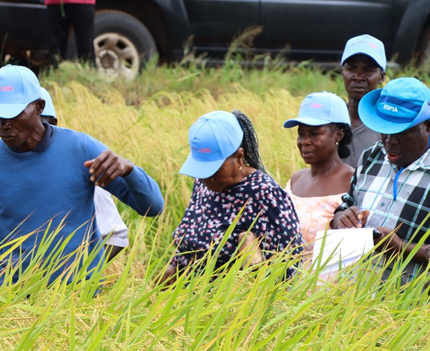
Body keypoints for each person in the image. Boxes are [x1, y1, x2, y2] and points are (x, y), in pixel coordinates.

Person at [0, 66, 162, 281]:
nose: (3, 125)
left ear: (39, 107)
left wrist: (130, 170)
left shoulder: (81, 149)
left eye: (13, 114)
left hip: (77, 299)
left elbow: (152, 207)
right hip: (13, 297)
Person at [332, 77, 430, 282]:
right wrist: (341, 218)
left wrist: (401, 249)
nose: (390, 141)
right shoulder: (372, 157)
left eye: (401, 132)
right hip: (351, 300)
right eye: (385, 131)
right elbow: (346, 206)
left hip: (412, 307)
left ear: (427, 126)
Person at [161, 110, 303, 285]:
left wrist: (254, 263)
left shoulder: (265, 194)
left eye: (215, 170)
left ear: (239, 156)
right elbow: (188, 248)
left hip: (232, 305)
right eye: (201, 170)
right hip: (186, 299)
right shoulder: (203, 183)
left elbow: (290, 267)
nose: (207, 178)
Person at [39, 87, 129, 260]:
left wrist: (81, 274)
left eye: (36, 124)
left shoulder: (80, 168)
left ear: (53, 123)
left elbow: (115, 236)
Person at [283, 92, 354, 251]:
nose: (305, 141)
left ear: (338, 135)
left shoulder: (353, 182)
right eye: (301, 134)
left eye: (315, 134)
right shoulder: (295, 180)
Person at [340, 35, 385, 168]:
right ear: (342, 73)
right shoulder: (331, 120)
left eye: (368, 70)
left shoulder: (387, 126)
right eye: (351, 69)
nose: (358, 77)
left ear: (381, 77)